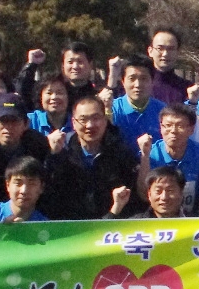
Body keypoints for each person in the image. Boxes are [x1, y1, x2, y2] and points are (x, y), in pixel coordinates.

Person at [42, 93, 142, 221]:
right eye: (83, 119)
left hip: (111, 226)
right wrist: (53, 156)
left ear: (105, 120)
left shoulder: (121, 153)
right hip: (68, 226)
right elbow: (48, 194)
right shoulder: (61, 150)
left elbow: (132, 201)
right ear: (73, 123)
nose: (90, 125)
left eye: (96, 118)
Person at [139, 103, 199, 213]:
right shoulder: (150, 153)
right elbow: (143, 194)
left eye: (180, 126)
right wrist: (145, 156)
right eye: (168, 125)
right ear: (161, 127)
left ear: (191, 129)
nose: (173, 131)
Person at [110, 57, 163, 152]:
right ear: (123, 81)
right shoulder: (112, 109)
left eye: (144, 79)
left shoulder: (163, 111)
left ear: (152, 81)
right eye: (132, 78)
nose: (138, 84)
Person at [146, 27, 192, 105]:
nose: (165, 54)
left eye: (171, 49)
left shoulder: (187, 89)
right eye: (160, 48)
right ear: (150, 51)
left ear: (178, 52)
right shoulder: (139, 86)